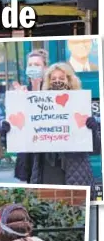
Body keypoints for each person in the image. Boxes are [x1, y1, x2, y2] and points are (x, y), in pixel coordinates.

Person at [28, 63, 100, 191]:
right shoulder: (38, 106)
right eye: (53, 79)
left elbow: (97, 148)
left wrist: (93, 129)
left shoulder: (81, 104)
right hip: (47, 172)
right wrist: (12, 131)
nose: (57, 82)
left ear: (70, 80)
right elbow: (27, 140)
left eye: (61, 78)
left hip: (75, 171)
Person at [3, 49, 50, 183]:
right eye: (30, 65)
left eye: (37, 65)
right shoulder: (20, 93)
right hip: (28, 157)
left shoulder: (53, 94)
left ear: (45, 68)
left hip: (49, 157)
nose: (33, 68)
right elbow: (13, 128)